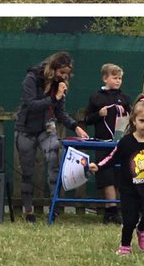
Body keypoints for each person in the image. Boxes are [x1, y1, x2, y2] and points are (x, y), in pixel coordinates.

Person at [15, 52, 90, 221]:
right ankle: (28, 210)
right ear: (53, 68)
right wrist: (53, 98)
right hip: (26, 129)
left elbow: (60, 112)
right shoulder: (32, 78)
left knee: (54, 165)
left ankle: (54, 207)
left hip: (47, 129)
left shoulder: (60, 85)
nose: (64, 76)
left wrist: (75, 126)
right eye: (61, 72)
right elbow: (32, 104)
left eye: (67, 74)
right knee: (27, 171)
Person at [90, 96, 144, 253]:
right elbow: (112, 158)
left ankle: (141, 230)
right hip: (128, 189)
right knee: (129, 220)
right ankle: (125, 246)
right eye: (142, 121)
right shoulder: (126, 142)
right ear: (134, 121)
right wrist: (98, 166)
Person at [85, 63, 134, 224]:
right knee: (107, 177)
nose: (118, 81)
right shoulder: (97, 98)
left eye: (120, 78)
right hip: (103, 144)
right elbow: (87, 119)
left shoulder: (125, 98)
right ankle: (110, 210)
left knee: (121, 176)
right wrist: (99, 114)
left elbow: (133, 117)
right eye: (114, 78)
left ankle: (120, 209)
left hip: (120, 145)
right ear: (105, 78)